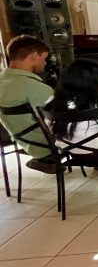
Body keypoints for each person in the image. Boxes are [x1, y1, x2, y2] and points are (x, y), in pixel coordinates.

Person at [0, 35, 56, 173]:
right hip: (46, 145)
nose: (45, 63)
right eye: (44, 58)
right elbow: (64, 118)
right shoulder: (36, 88)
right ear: (34, 55)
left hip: (19, 141)